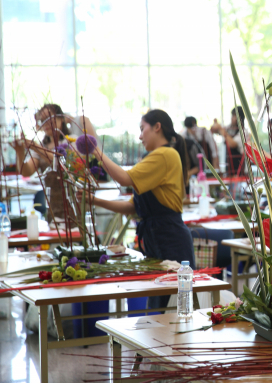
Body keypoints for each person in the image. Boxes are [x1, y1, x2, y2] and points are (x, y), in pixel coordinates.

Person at [87, 109, 195, 309]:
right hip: (159, 239)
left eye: (142, 129)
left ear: (157, 127)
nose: (139, 136)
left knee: (173, 311)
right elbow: (133, 207)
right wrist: (93, 200)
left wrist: (96, 150)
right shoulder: (157, 157)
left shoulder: (165, 154)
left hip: (169, 240)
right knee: (159, 310)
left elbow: (125, 178)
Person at [10, 105, 75, 222]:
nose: (46, 123)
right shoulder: (41, 146)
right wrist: (20, 153)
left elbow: (63, 164)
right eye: (42, 120)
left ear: (61, 118)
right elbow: (26, 172)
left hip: (73, 205)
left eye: (49, 118)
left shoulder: (72, 141)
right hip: (52, 206)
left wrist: (37, 148)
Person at [211, 106, 245, 176]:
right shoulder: (229, 128)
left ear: (240, 118)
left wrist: (221, 129)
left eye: (234, 116)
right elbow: (215, 130)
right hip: (228, 166)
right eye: (232, 115)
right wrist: (216, 126)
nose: (232, 118)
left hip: (239, 168)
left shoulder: (244, 132)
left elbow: (233, 144)